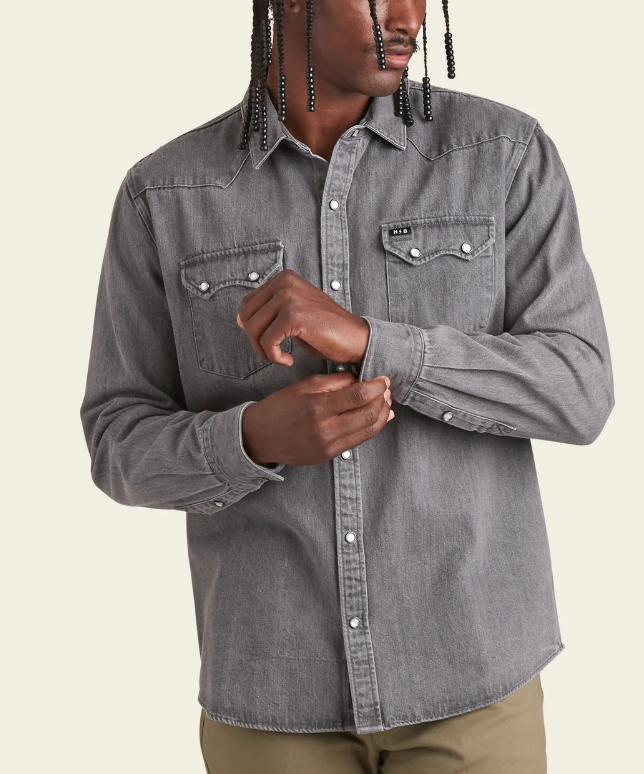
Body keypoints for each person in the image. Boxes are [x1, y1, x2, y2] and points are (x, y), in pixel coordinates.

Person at [79, 1, 615, 771]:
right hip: (272, 698)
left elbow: (578, 390)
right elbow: (116, 442)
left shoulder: (500, 154)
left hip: (472, 686)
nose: (408, 17)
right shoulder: (165, 194)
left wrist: (372, 344)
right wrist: (250, 439)